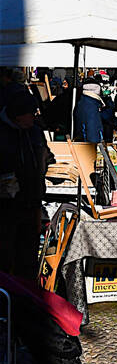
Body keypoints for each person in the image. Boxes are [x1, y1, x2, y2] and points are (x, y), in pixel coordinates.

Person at [0, 84, 50, 281]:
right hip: (6, 206)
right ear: (17, 115)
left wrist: (46, 160)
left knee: (28, 259)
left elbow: (44, 155)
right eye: (30, 113)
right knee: (5, 256)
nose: (34, 116)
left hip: (31, 202)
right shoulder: (3, 133)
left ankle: (27, 304)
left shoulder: (34, 131)